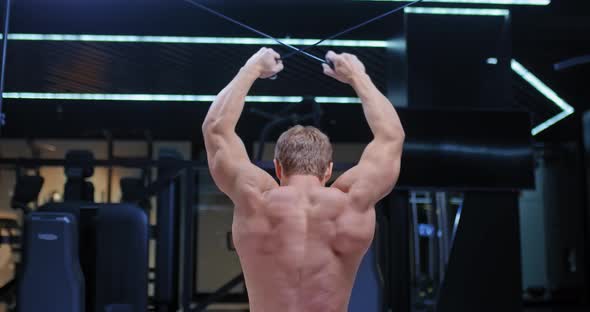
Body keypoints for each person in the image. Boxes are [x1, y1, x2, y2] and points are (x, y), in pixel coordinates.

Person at [202, 47, 405, 312]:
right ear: (328, 170)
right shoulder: (351, 202)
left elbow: (215, 129)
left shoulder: (255, 199)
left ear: (277, 167)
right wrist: (358, 76)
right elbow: (392, 136)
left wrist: (250, 69)